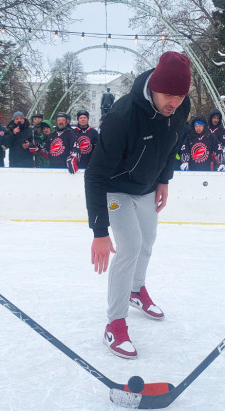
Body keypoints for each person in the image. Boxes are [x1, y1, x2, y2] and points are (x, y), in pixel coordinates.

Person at [85, 51, 191, 359]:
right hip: (115, 190)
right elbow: (94, 176)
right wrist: (99, 231)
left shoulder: (180, 105)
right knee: (130, 246)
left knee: (148, 242)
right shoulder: (123, 116)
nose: (175, 102)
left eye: (181, 96)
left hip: (146, 188)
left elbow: (172, 143)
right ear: (154, 87)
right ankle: (115, 323)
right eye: (169, 95)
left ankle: (135, 290)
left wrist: (164, 179)